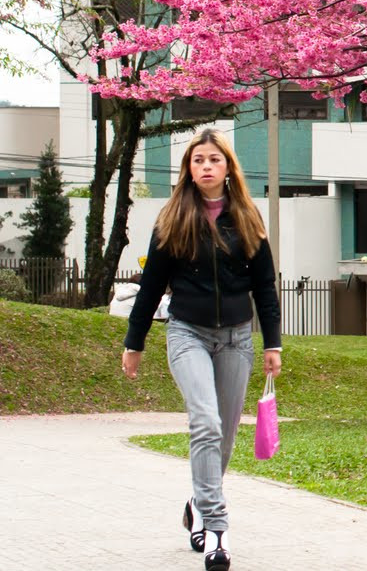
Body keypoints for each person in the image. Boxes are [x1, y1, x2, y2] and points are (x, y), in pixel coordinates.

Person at [120, 129, 282, 571]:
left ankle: (197, 499)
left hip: (236, 337)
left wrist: (273, 342)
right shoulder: (173, 219)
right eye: (197, 161)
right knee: (205, 423)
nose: (206, 166)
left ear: (227, 167)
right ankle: (216, 530)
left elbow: (264, 286)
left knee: (224, 436)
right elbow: (151, 285)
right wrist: (134, 342)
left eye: (213, 159)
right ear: (188, 170)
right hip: (187, 333)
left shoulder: (248, 218)